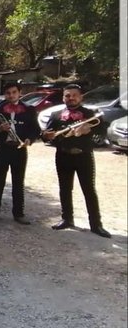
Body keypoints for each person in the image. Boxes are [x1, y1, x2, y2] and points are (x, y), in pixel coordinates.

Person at [41, 84, 111, 238]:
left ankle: (96, 224)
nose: (71, 98)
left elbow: (103, 129)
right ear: (63, 97)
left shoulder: (90, 113)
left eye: (74, 95)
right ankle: (67, 219)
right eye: (67, 95)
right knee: (65, 189)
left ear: (81, 97)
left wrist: (89, 128)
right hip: (63, 156)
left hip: (84, 156)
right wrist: (47, 135)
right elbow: (45, 135)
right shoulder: (56, 114)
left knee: (89, 190)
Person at [0, 82, 41, 224]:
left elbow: (35, 129)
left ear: (19, 92)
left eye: (14, 92)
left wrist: (29, 139)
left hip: (19, 149)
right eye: (8, 93)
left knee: (18, 182)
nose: (11, 95)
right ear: (5, 94)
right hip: (2, 149)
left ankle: (19, 213)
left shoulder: (29, 109)